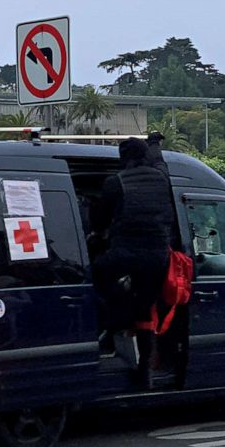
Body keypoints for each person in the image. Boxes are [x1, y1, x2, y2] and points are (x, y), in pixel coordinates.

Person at [91, 137, 174, 387]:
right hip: (159, 258)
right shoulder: (162, 177)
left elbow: (99, 223)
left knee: (92, 275)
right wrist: (155, 141)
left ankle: (114, 323)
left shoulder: (115, 182)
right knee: (146, 308)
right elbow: (159, 158)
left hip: (125, 256)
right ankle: (146, 369)